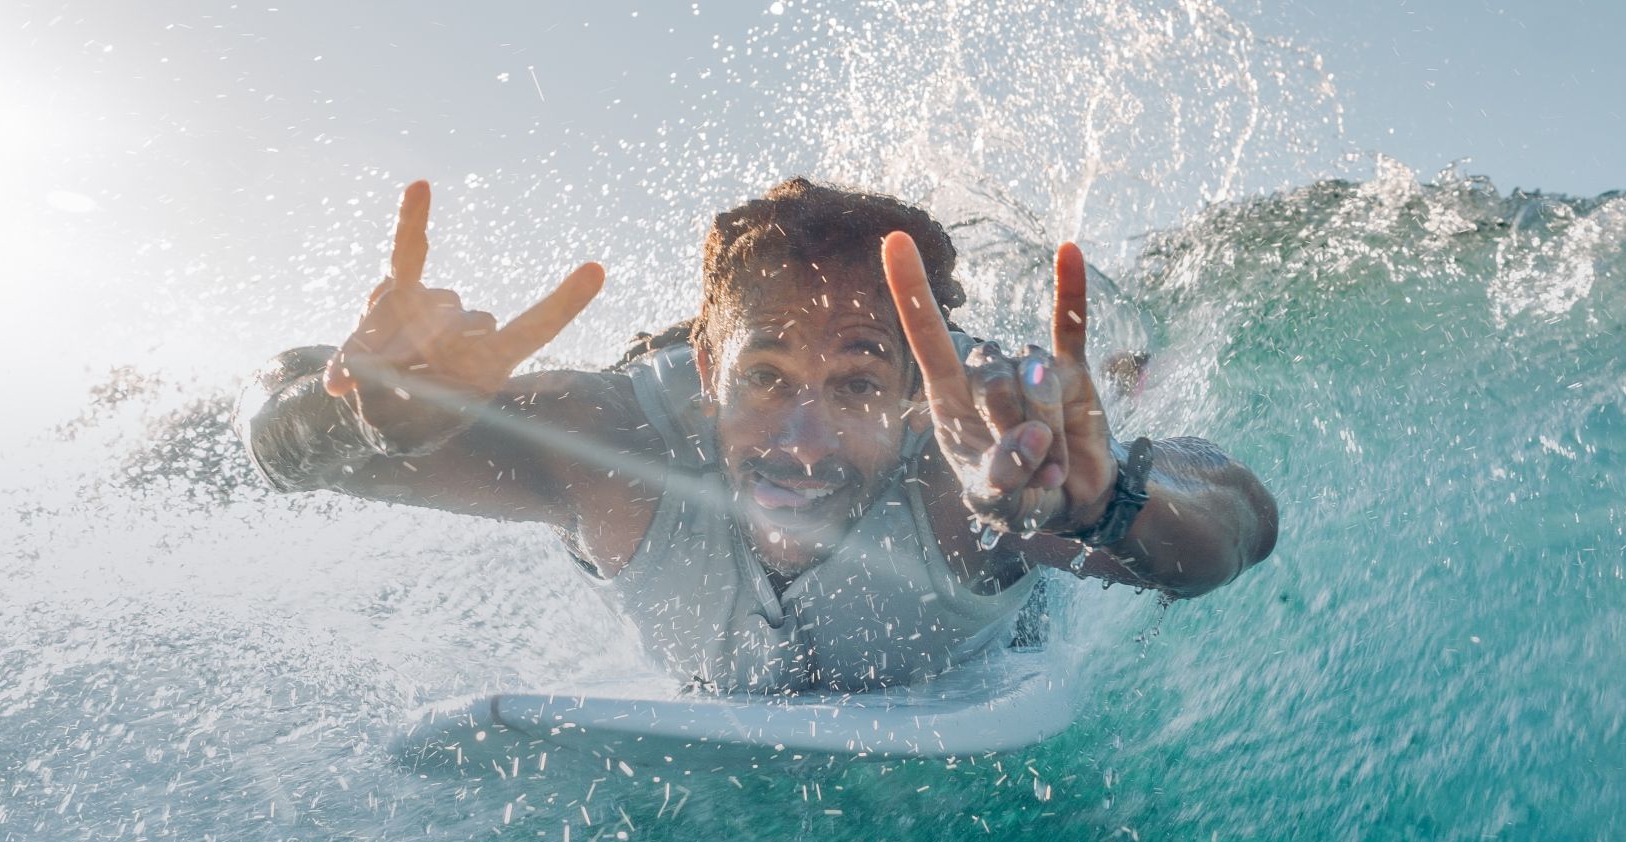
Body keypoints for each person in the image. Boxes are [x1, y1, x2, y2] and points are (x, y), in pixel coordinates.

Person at [239, 178, 1276, 693]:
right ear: (704, 368)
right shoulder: (610, 450)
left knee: (1044, 399)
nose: (803, 441)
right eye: (765, 377)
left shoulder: (970, 472)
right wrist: (366, 413)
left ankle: (1113, 375)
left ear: (915, 392)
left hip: (983, 418)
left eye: (859, 384)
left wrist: (1110, 504)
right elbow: (277, 432)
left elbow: (1235, 520)